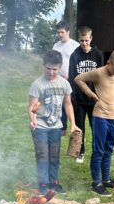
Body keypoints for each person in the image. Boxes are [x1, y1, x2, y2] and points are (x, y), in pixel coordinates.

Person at [75, 49, 114, 197]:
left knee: (108, 150)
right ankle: (96, 183)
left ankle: (105, 179)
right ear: (108, 62)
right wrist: (90, 93)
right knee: (99, 151)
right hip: (101, 116)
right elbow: (78, 79)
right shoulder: (98, 73)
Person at [28, 50, 81, 195]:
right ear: (44, 66)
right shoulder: (37, 84)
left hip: (56, 126)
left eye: (55, 69)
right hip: (40, 125)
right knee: (43, 155)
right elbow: (32, 107)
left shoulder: (64, 84)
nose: (51, 72)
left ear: (60, 67)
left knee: (54, 155)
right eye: (48, 68)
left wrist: (73, 123)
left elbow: (68, 104)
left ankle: (54, 181)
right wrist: (32, 120)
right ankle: (43, 183)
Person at [68, 25, 104, 164]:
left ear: (91, 38)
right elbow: (72, 78)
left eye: (86, 40)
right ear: (78, 39)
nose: (84, 43)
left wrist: (100, 95)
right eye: (82, 40)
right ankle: (80, 152)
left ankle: (97, 152)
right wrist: (72, 97)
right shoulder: (74, 56)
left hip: (94, 99)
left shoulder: (98, 55)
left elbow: (102, 77)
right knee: (80, 126)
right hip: (79, 99)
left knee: (95, 127)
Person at [52, 21, 79, 134]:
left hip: (72, 79)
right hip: (58, 79)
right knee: (59, 102)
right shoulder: (56, 46)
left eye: (62, 32)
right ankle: (62, 127)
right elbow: (53, 61)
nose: (60, 34)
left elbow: (78, 63)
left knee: (72, 102)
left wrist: (70, 75)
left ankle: (76, 125)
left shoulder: (75, 45)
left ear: (68, 32)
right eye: (58, 32)